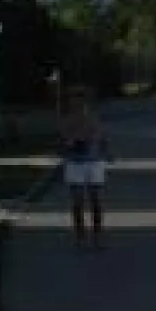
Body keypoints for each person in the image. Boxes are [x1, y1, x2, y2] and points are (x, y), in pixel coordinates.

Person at [59, 88, 112, 250]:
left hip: (94, 163)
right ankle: (80, 236)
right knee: (77, 202)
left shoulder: (95, 120)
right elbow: (61, 145)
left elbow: (103, 139)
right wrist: (69, 144)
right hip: (75, 164)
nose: (78, 106)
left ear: (87, 104)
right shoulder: (66, 122)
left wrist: (107, 153)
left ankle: (97, 236)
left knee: (96, 200)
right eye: (74, 103)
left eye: (81, 103)